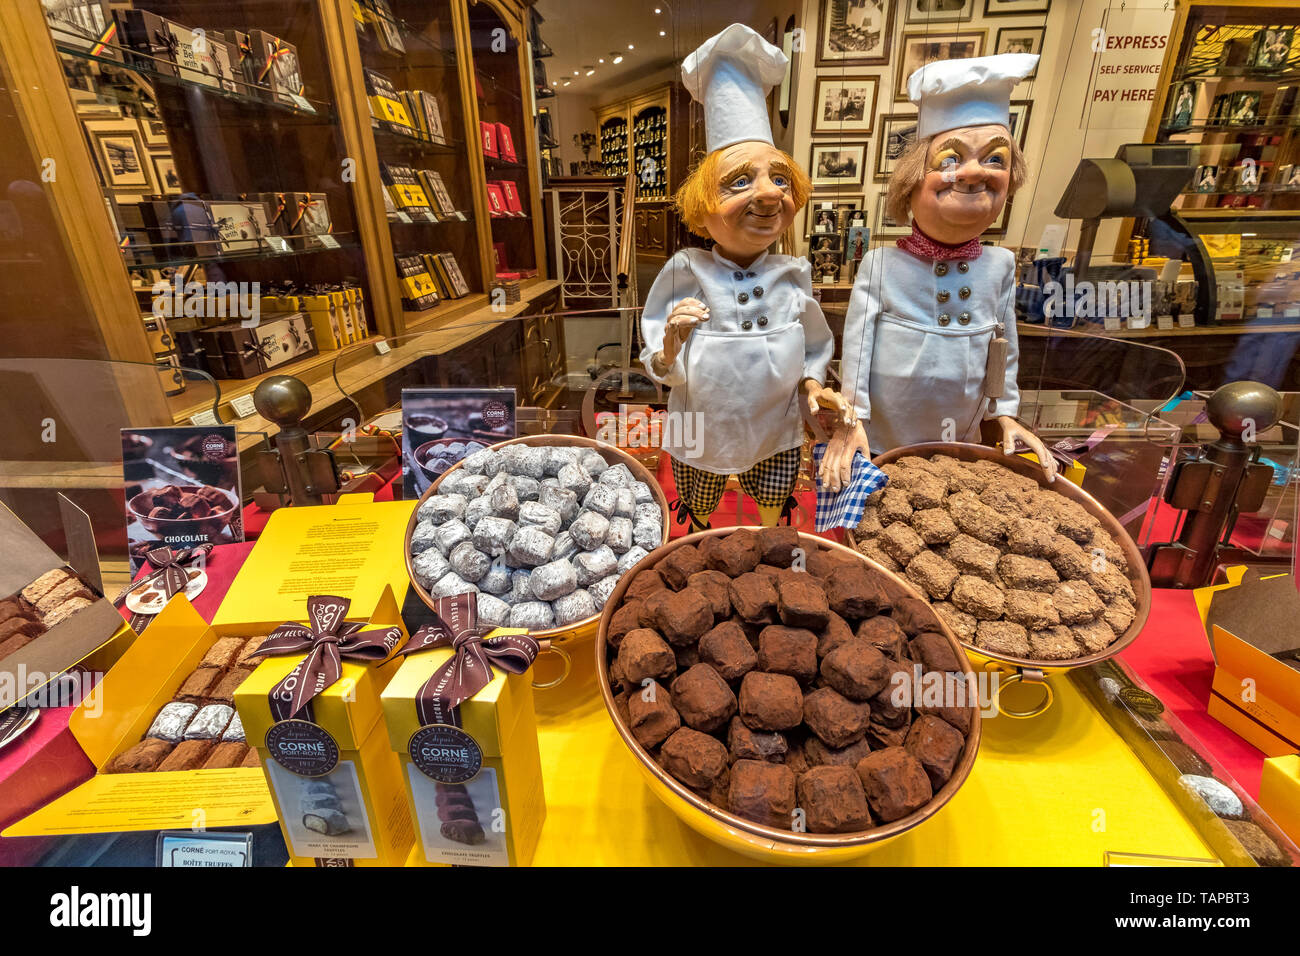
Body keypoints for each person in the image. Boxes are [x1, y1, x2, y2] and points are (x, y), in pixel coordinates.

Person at [639, 24, 852, 530]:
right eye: (740, 181)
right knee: (697, 502)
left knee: (774, 500)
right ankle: (701, 550)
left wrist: (813, 385)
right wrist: (669, 346)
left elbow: (817, 345)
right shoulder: (686, 269)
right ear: (701, 205)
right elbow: (654, 354)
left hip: (773, 426)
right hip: (701, 425)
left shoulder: (793, 273)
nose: (769, 194)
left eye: (779, 179)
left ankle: (772, 549)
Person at [822, 53, 1058, 491]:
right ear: (911, 182)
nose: (971, 173)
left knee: (946, 497)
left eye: (994, 160)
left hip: (961, 431)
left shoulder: (1000, 265)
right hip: (884, 433)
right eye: (949, 160)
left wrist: (1004, 412)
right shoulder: (881, 265)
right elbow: (856, 352)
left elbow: (1003, 347)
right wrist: (852, 419)